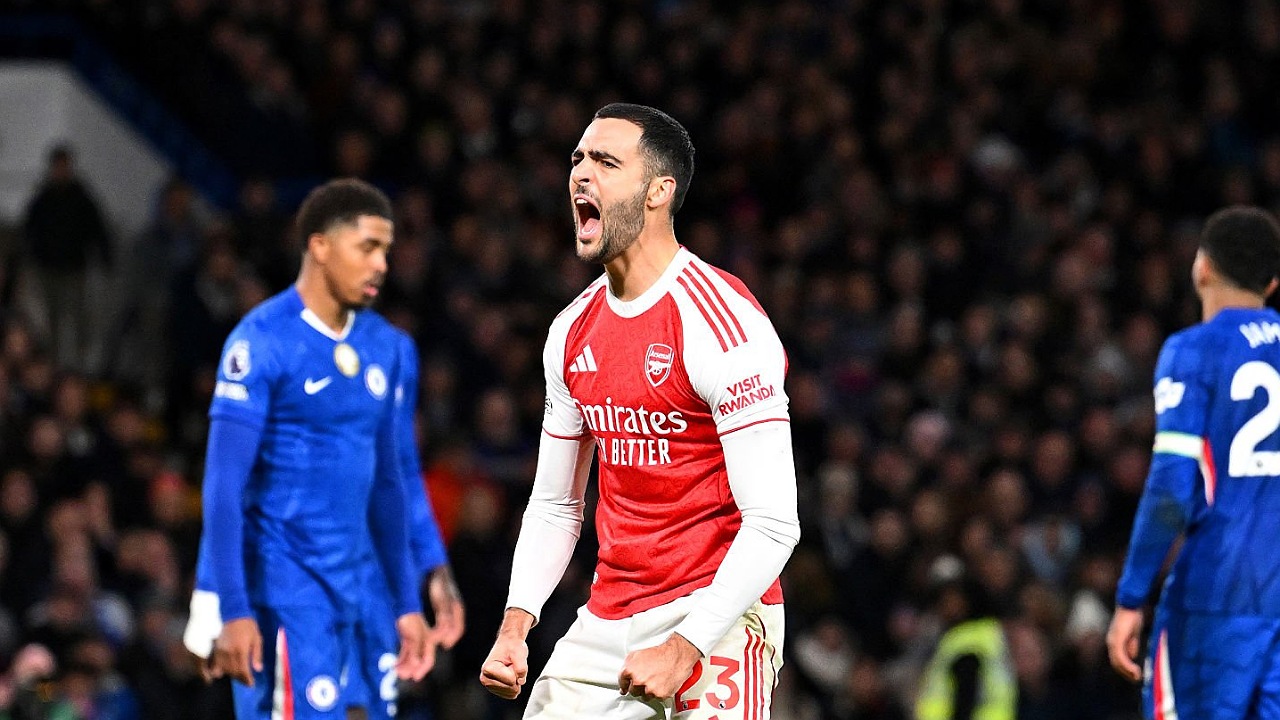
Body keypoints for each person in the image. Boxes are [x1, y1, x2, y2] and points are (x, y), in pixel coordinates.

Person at [479, 103, 801, 718]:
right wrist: (517, 624)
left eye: (605, 162)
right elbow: (556, 504)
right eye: (577, 159)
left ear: (659, 191)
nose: (581, 174)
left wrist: (685, 647)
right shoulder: (571, 331)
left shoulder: (721, 325)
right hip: (608, 618)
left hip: (719, 614)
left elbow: (774, 522)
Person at [192, 178, 432, 719]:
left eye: (386, 251)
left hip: (357, 590)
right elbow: (223, 487)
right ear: (320, 246)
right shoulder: (261, 341)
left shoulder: (382, 347)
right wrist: (232, 608)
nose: (382, 265)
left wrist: (405, 602)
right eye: (367, 248)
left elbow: (388, 483)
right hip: (283, 592)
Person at [184, 325, 467, 719]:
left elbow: (401, 471)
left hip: (372, 584)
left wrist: (434, 567)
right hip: (289, 582)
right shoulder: (272, 344)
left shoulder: (394, 351)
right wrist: (210, 592)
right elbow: (234, 483)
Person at [1107, 206, 1280, 720]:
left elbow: (1171, 489)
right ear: (1272, 283)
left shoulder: (1193, 351)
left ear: (1201, 267)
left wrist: (1131, 596)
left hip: (1215, 593)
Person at [20, 145, 112, 373]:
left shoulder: (82, 198)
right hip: (48, 269)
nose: (61, 171)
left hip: (74, 270)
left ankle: (78, 368)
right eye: (58, 166)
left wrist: (105, 257)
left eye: (64, 166)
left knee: (77, 319)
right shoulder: (43, 198)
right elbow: (29, 229)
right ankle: (53, 367)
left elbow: (97, 229)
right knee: (51, 321)